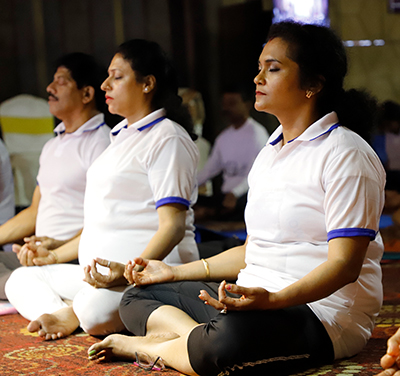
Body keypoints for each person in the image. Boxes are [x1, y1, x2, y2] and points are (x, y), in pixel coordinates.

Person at [87, 21, 385, 376]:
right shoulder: (271, 151)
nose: (257, 78)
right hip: (254, 300)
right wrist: (172, 272)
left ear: (313, 84)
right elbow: (254, 250)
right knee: (136, 296)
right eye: (259, 68)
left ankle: (155, 346)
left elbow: (345, 266)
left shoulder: (346, 153)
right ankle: (188, 342)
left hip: (322, 313)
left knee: (223, 344)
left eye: (272, 69)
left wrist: (272, 300)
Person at [5, 39, 199, 340]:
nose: (105, 84)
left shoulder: (167, 137)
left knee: (94, 311)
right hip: (99, 274)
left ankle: (75, 312)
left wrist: (128, 271)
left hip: (147, 275)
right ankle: (68, 311)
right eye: (107, 76)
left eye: (117, 76)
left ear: (147, 84)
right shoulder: (120, 138)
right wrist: (53, 255)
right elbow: (101, 222)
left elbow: (172, 227)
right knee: (20, 280)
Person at [0, 53, 110, 299]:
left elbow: (105, 220)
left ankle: (36, 292)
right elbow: (34, 212)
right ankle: (36, 292)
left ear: (87, 94)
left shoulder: (101, 143)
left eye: (61, 81)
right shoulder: (52, 144)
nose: (50, 88)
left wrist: (56, 249)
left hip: (72, 258)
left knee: (19, 280)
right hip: (42, 257)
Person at [195, 86, 269, 221]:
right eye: (224, 104)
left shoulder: (258, 135)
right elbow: (209, 170)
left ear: (247, 105)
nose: (227, 108)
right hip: (225, 197)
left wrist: (235, 193)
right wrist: (188, 186)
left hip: (246, 197)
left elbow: (260, 173)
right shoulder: (223, 138)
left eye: (232, 104)